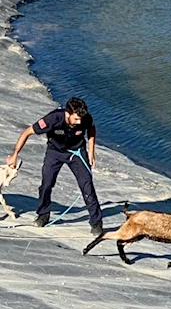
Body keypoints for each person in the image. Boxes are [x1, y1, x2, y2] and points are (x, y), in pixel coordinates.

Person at [7, 97, 103, 235]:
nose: (79, 122)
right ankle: (43, 214)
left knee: (86, 185)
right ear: (67, 114)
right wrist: (15, 154)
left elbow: (91, 129)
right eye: (76, 119)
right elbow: (27, 132)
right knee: (46, 184)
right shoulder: (53, 118)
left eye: (81, 119)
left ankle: (96, 222)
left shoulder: (85, 118)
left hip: (76, 153)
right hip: (54, 152)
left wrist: (91, 151)